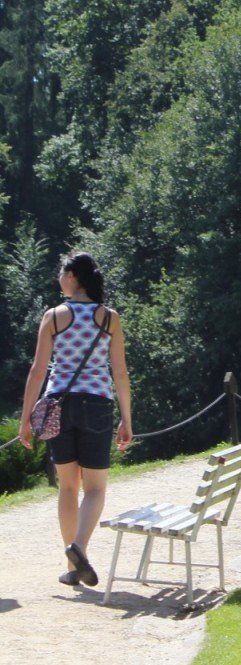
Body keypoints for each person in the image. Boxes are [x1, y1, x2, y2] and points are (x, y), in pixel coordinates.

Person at [18, 251, 133, 589]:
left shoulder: (53, 316)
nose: (59, 279)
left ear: (72, 277)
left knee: (68, 486)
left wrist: (26, 418)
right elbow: (120, 372)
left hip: (59, 405)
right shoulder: (109, 318)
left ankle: (72, 566)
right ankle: (79, 547)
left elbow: (38, 371)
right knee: (95, 488)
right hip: (97, 403)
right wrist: (126, 419)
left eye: (61, 273)